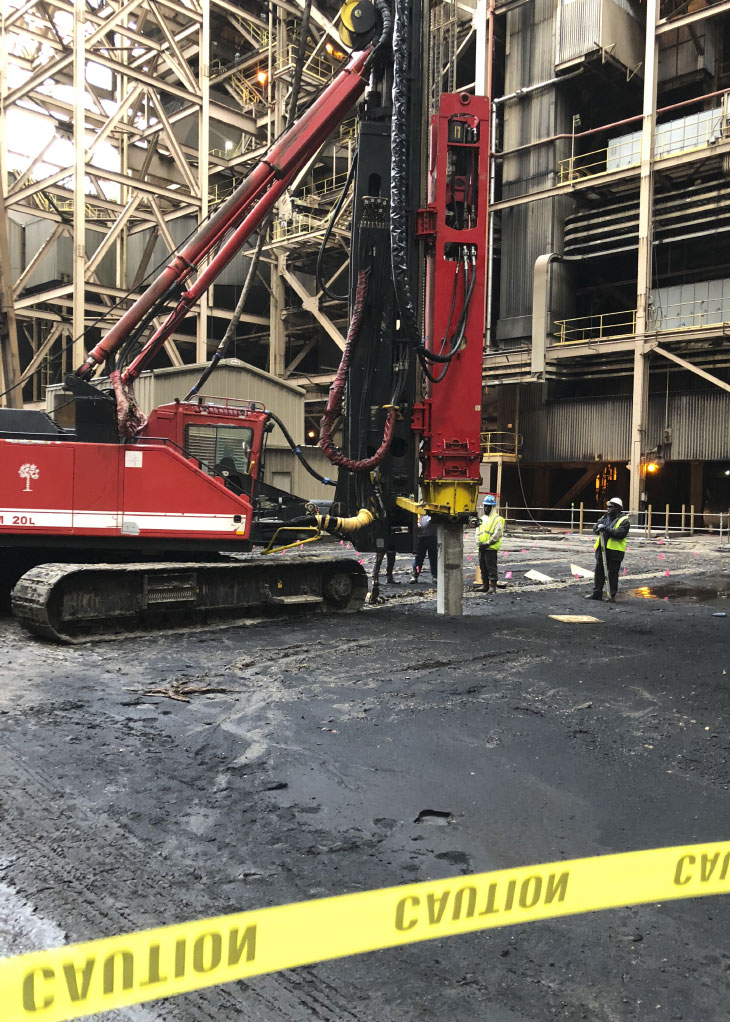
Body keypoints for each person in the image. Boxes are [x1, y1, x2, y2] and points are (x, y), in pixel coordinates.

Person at [586, 496, 630, 602]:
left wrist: (605, 528)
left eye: (611, 507)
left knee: (612, 575)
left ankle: (611, 596)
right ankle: (597, 593)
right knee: (599, 572)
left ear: (618, 508)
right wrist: (598, 528)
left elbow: (620, 533)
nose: (608, 509)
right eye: (608, 507)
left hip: (614, 552)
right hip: (602, 549)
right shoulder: (605, 518)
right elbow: (595, 529)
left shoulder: (624, 520)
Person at [476, 495, 504, 594]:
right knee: (483, 567)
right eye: (485, 506)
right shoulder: (482, 518)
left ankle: (492, 586)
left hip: (491, 548)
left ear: (493, 507)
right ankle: (485, 585)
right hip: (482, 547)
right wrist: (478, 542)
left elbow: (497, 534)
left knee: (491, 567)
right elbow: (478, 531)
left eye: (488, 506)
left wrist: (487, 543)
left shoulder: (498, 519)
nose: (486, 508)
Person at [409, 514, 437, 583]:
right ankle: (415, 575)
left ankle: (435, 576)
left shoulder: (432, 514)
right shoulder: (418, 515)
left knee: (433, 558)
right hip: (421, 539)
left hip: (432, 538)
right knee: (419, 558)